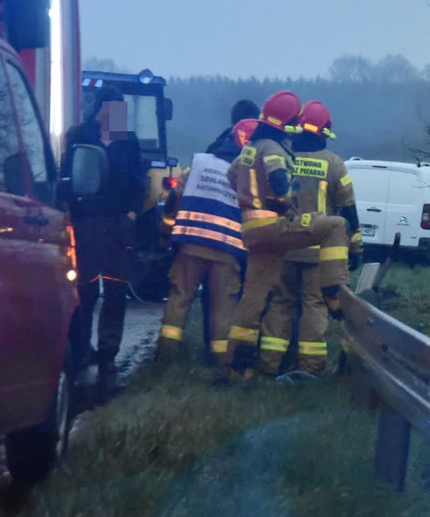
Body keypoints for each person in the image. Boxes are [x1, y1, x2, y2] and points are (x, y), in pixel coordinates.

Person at [220, 91, 348, 384]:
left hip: (251, 233)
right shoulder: (273, 147)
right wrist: (285, 196)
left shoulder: (248, 148)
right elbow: (279, 181)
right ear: (288, 122)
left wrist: (250, 200)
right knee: (334, 226)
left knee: (254, 300)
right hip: (276, 226)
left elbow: (231, 176)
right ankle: (333, 291)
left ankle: (241, 367)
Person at [257, 101, 363, 378]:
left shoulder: (283, 156)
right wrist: (356, 247)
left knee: (281, 303)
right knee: (314, 305)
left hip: (284, 245)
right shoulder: (334, 164)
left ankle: (269, 364)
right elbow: (348, 210)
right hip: (319, 252)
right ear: (326, 130)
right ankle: (311, 369)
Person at [62, 84, 147, 397]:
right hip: (85, 225)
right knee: (84, 293)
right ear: (100, 109)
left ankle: (108, 358)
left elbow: (139, 182)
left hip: (116, 226)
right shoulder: (79, 135)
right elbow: (67, 177)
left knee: (115, 291)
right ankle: (80, 355)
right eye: (114, 107)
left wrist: (133, 216)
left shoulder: (129, 141)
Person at [154, 119, 257, 367]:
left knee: (179, 300)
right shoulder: (249, 175)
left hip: (190, 244)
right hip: (227, 250)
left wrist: (166, 235)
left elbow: (174, 201)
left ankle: (164, 359)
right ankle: (223, 365)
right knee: (223, 309)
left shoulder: (199, 164)